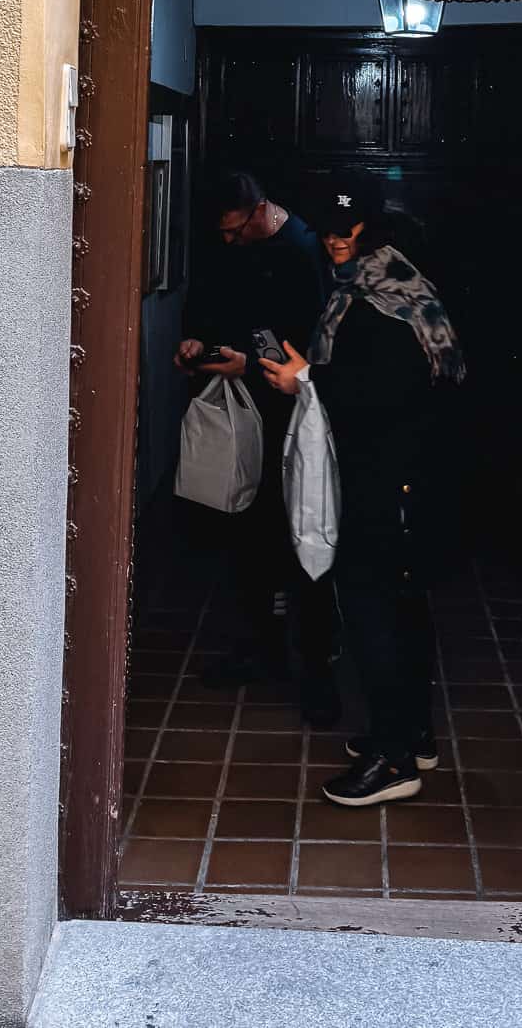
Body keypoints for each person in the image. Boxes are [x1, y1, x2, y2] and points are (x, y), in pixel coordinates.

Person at [261, 175, 466, 807]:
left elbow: (381, 392)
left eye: (347, 229)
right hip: (403, 477)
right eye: (327, 229)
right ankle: (413, 735)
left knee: (374, 608)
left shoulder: (381, 299)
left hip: (388, 480)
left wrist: (305, 383)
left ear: (370, 228)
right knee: (401, 604)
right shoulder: (384, 282)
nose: (336, 239)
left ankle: (393, 758)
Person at [175, 168, 338, 724]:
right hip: (248, 410)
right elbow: (217, 304)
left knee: (299, 538)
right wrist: (198, 337)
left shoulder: (303, 250)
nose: (229, 240)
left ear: (261, 210)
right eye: (222, 232)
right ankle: (260, 651)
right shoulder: (238, 246)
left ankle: (315, 673)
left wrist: (249, 362)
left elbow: (311, 339)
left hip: (292, 414)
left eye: (236, 229)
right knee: (247, 534)